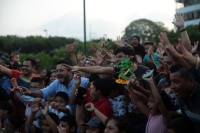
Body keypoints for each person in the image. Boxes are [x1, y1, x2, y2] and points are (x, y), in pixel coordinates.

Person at [22, 60, 89, 116]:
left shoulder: (84, 82)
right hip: (63, 122)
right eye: (57, 71)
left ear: (70, 71)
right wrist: (29, 92)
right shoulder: (56, 83)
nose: (58, 73)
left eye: (61, 70)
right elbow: (44, 92)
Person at [169, 63, 200, 132]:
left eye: (176, 82)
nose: (171, 86)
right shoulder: (182, 96)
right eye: (171, 81)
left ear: (191, 81)